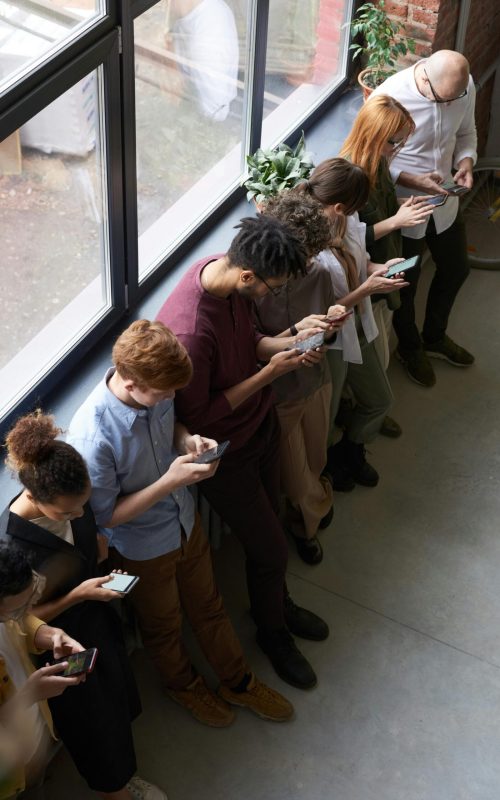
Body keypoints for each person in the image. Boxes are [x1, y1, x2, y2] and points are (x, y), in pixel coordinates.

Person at [67, 319, 294, 726]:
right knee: (163, 626)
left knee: (210, 606)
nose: (171, 398)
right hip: (141, 550)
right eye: (163, 394)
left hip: (186, 523)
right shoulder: (92, 438)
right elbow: (104, 519)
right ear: (130, 381)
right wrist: (169, 481)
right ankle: (183, 686)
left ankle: (237, 681)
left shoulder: (158, 387)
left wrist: (188, 440)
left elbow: (172, 425)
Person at [157, 214, 330, 690]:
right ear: (248, 276)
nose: (271, 297)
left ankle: (274, 602)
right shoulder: (190, 334)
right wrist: (271, 374)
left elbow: (253, 342)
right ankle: (273, 633)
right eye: (272, 288)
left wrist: (291, 342)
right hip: (227, 454)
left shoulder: (224, 274)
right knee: (271, 545)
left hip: (261, 426)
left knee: (271, 527)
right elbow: (202, 419)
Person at [1, 411, 168, 800]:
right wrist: (78, 595)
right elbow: (19, 622)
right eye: (67, 513)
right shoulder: (13, 549)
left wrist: (96, 548)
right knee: (94, 729)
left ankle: (123, 778)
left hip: (95, 624)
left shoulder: (72, 497)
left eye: (82, 508)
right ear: (32, 496)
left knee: (114, 707)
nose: (78, 516)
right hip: (59, 649)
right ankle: (116, 787)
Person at [299, 158, 408, 490]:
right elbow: (320, 313)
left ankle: (351, 451)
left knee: (380, 399)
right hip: (331, 341)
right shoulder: (306, 247)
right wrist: (367, 290)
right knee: (327, 416)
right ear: (337, 206)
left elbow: (360, 258)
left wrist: (377, 267)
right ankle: (330, 465)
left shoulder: (346, 217)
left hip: (358, 327)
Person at [371, 49, 477, 387]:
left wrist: (465, 162)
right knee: (407, 282)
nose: (448, 105)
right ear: (424, 78)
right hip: (405, 210)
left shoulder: (463, 86)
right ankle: (410, 347)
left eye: (454, 98)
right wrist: (411, 179)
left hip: (445, 203)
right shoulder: (388, 96)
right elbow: (371, 158)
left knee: (457, 268)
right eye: (441, 99)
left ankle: (434, 336)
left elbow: (466, 133)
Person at [255, 191, 347, 565]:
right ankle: (309, 521)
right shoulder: (255, 288)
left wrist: (330, 332)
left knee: (317, 457)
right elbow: (251, 346)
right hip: (279, 394)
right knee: (293, 478)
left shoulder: (320, 271)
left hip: (316, 379)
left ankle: (312, 506)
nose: (310, 262)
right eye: (305, 255)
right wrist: (291, 343)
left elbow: (326, 328)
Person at [339, 93, 434, 437]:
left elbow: (384, 208)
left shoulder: (377, 163)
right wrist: (397, 221)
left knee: (382, 342)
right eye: (396, 142)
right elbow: (344, 241)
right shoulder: (348, 176)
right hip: (367, 279)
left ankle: (370, 404)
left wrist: (408, 204)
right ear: (377, 135)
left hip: (386, 266)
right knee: (373, 353)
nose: (399, 149)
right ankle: (367, 407)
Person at [0, 542, 85, 800]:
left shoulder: (9, 610)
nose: (29, 611)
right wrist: (29, 694)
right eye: (18, 609)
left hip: (32, 746)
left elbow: (19, 623)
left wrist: (50, 635)